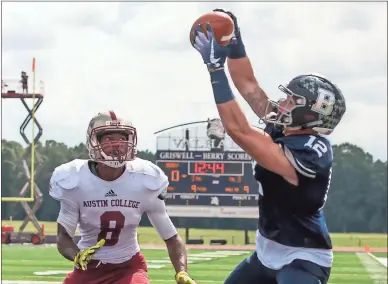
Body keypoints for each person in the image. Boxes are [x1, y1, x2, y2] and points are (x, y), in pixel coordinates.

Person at [191, 9, 346, 284]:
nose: (283, 103)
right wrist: (235, 40)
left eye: (292, 100)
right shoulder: (286, 126)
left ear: (310, 114)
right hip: (265, 252)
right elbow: (248, 85)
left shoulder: (311, 151)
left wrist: (215, 69)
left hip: (303, 256)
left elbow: (240, 131)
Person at [49, 111, 197, 284]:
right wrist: (77, 255)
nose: (117, 144)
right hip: (88, 269)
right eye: (108, 138)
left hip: (129, 267)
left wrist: (182, 272)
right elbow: (63, 237)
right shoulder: (74, 179)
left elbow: (171, 238)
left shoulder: (145, 178)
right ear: (94, 141)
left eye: (122, 138)